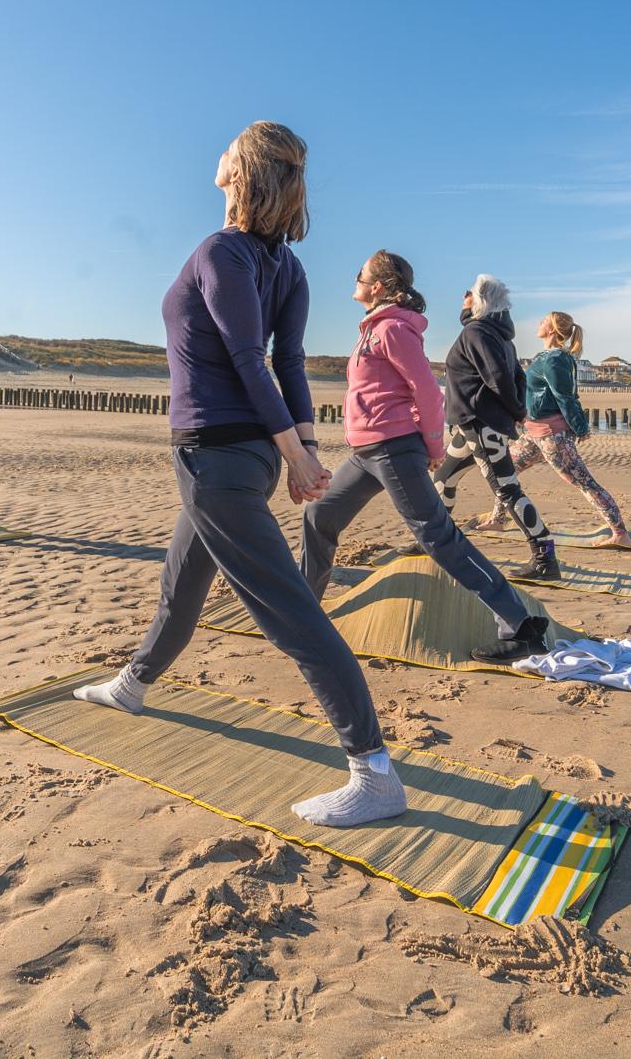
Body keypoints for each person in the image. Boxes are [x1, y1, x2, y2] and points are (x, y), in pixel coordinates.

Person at [73, 122, 406, 829]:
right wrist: (301, 447)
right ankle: (134, 683)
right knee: (183, 578)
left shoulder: (222, 251)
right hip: (241, 457)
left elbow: (257, 360)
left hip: (218, 455)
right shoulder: (284, 265)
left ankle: (373, 770)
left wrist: (299, 455)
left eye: (230, 145)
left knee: (290, 611)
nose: (217, 150)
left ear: (243, 169)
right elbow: (286, 365)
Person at [300, 250, 558, 667]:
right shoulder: (373, 327)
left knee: (438, 537)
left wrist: (433, 447)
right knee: (320, 516)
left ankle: (519, 626)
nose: (356, 280)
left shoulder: (393, 330)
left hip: (394, 448)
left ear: (378, 286)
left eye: (360, 275)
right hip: (366, 451)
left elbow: (426, 390)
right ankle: (303, 609)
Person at [430, 274, 560, 581]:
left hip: (480, 423)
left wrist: (516, 411)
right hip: (471, 424)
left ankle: (544, 557)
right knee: (444, 477)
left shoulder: (477, 333)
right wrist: (517, 411)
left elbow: (500, 379)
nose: (464, 297)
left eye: (469, 293)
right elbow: (519, 378)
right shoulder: (496, 335)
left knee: (507, 489)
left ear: (480, 301)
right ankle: (434, 541)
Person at [477, 310, 631, 549]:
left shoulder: (555, 359)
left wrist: (580, 428)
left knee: (585, 483)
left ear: (552, 329)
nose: (539, 322)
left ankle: (620, 533)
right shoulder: (546, 356)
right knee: (505, 472)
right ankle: (497, 519)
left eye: (544, 320)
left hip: (553, 437)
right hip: (533, 433)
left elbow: (565, 397)